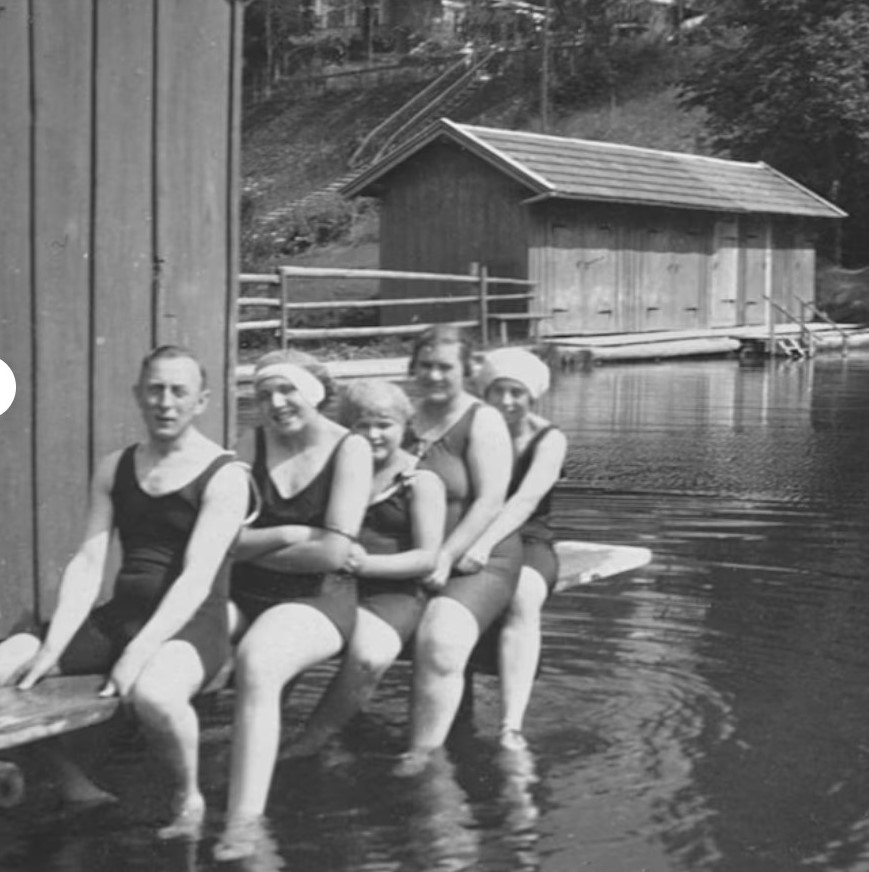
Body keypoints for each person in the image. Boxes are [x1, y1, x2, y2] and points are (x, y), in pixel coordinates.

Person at [0, 345, 250, 838]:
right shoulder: (116, 466)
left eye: (179, 391)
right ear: (138, 395)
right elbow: (90, 560)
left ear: (201, 401)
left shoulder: (224, 475)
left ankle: (189, 797)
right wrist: (53, 646)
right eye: (155, 389)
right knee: (17, 661)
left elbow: (197, 578)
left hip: (193, 622)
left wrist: (140, 650)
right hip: (121, 617)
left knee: (155, 695)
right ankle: (75, 784)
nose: (166, 402)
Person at [215, 350, 373, 861]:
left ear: (316, 391)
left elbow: (331, 554)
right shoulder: (251, 442)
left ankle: (245, 825)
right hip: (244, 592)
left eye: (287, 390)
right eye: (263, 395)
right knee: (173, 633)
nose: (275, 404)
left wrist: (258, 545)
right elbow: (226, 540)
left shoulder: (350, 449)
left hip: (318, 598)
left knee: (258, 662)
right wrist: (287, 531)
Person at [284, 379, 446, 757]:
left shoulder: (419, 481)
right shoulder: (332, 469)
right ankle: (264, 724)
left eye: (384, 424)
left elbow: (426, 558)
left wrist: (365, 564)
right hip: (333, 582)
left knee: (370, 655)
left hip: (393, 588)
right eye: (361, 425)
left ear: (405, 426)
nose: (373, 434)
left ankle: (314, 738)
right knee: (284, 641)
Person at [399, 325, 522, 773]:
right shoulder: (405, 419)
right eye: (425, 366)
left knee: (441, 639)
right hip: (419, 556)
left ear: (467, 370)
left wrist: (446, 557)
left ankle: (424, 755)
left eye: (444, 367)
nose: (433, 376)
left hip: (478, 557)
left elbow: (491, 500)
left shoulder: (482, 420)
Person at [463, 347, 566, 752]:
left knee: (522, 594)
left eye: (516, 393)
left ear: (532, 396)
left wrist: (484, 546)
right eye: (497, 391)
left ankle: (510, 726)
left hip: (528, 538)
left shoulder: (548, 438)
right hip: (469, 534)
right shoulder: (470, 431)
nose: (506, 402)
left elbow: (524, 502)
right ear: (484, 393)